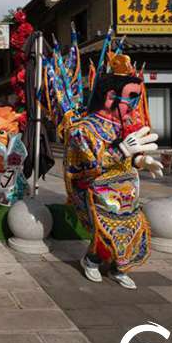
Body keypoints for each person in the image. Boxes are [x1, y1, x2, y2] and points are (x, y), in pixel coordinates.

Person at [64, 53, 163, 290]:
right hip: (100, 190)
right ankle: (92, 260)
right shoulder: (84, 129)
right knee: (107, 231)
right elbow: (90, 164)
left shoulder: (124, 125)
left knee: (133, 227)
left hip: (128, 188)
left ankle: (119, 268)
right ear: (110, 96)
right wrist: (122, 151)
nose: (135, 104)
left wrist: (142, 160)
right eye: (132, 97)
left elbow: (131, 156)